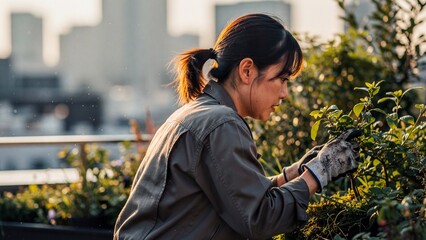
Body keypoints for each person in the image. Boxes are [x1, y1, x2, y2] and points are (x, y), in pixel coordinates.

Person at [113, 13, 360, 240]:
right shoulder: (222, 123)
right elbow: (260, 219)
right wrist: (320, 172)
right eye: (281, 79)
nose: (284, 93)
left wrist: (292, 175)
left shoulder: (196, 113)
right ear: (247, 70)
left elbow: (234, 196)